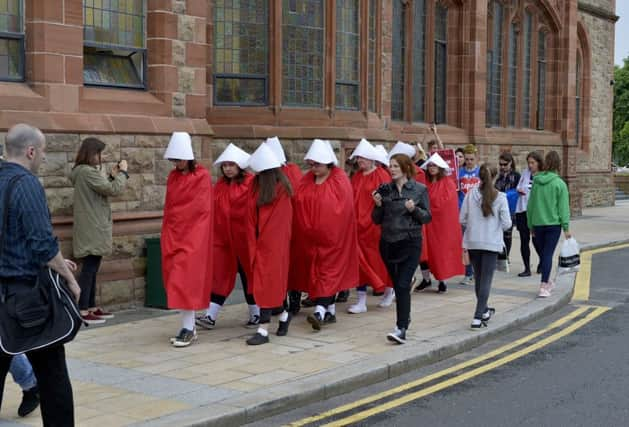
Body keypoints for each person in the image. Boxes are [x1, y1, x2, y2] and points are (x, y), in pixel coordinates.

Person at [0, 123, 80, 426]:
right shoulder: (26, 183)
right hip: (26, 301)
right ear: (31, 151)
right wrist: (69, 279)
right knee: (53, 376)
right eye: (43, 151)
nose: (43, 157)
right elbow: (42, 243)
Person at [290, 139, 359, 330]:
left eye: (317, 164)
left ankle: (320, 311)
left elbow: (341, 208)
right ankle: (330, 313)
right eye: (311, 164)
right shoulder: (306, 180)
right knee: (319, 275)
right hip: (311, 241)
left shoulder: (339, 180)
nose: (313, 168)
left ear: (328, 163)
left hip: (334, 240)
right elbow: (299, 201)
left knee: (328, 275)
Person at [196, 144, 259, 330]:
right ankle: (210, 315)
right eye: (225, 165)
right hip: (223, 240)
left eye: (231, 164)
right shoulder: (221, 186)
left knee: (249, 277)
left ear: (240, 165)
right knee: (220, 276)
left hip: (245, 240)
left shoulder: (251, 183)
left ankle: (256, 313)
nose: (228, 168)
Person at [161, 132, 213, 347]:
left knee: (185, 280)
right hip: (175, 233)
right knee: (177, 279)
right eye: (174, 160)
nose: (176, 163)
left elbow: (200, 209)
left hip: (193, 235)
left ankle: (189, 327)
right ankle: (187, 325)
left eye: (179, 159)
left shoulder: (201, 176)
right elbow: (171, 206)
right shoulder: (174, 176)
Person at [372, 154, 431, 344]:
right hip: (388, 244)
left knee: (403, 285)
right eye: (390, 166)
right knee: (399, 285)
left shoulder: (419, 190)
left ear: (405, 168)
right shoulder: (385, 190)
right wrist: (378, 205)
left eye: (396, 166)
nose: (392, 169)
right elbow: (376, 219)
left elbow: (427, 217)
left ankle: (401, 328)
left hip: (410, 242)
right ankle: (405, 319)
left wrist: (414, 209)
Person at [70, 137, 128, 325]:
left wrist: (111, 175)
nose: (99, 157)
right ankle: (83, 309)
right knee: (89, 268)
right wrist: (123, 174)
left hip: (90, 225)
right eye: (98, 153)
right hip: (92, 226)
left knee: (92, 267)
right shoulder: (87, 171)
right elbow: (112, 190)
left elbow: (99, 189)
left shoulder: (82, 172)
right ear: (90, 153)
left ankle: (91, 306)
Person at [245, 144, 294, 345]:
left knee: (267, 284)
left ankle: (263, 329)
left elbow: (279, 223)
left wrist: (264, 243)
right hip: (259, 240)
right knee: (266, 285)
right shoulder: (256, 184)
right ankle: (283, 315)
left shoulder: (281, 189)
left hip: (273, 244)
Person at [460, 164, 512, 329]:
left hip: (473, 241)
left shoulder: (470, 195)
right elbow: (507, 224)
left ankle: (483, 312)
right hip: (491, 243)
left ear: (479, 176)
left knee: (479, 278)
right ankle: (477, 316)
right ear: (495, 177)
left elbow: (462, 219)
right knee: (486, 281)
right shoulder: (501, 197)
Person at [347, 139, 393, 314]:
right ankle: (361, 300)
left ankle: (389, 291)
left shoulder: (382, 175)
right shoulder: (357, 176)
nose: (360, 161)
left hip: (375, 227)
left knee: (380, 261)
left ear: (372, 159)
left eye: (363, 158)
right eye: (359, 158)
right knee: (360, 264)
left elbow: (388, 200)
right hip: (357, 227)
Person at [415, 153, 464, 293]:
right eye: (430, 165)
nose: (431, 168)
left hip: (440, 226)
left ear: (440, 167)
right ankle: (426, 279)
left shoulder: (448, 183)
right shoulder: (425, 183)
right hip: (425, 223)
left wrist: (429, 208)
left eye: (434, 165)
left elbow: (447, 204)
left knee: (439, 252)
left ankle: (442, 280)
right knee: (424, 251)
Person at [527, 151, 571, 298]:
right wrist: (566, 227)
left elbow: (531, 205)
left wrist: (530, 224)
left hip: (538, 224)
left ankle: (546, 282)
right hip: (553, 225)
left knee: (544, 254)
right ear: (559, 165)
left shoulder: (537, 182)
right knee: (547, 255)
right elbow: (563, 208)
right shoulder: (560, 184)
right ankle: (544, 285)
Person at [514, 151, 544, 277]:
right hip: (522, 210)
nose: (530, 165)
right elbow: (519, 186)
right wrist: (519, 189)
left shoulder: (542, 176)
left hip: (535, 212)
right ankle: (526, 268)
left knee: (536, 240)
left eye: (533, 163)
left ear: (538, 163)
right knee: (524, 240)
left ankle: (543, 261)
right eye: (529, 163)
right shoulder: (525, 173)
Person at [458, 144, 481, 285]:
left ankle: (477, 271)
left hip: (478, 213)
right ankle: (468, 272)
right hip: (463, 212)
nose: (469, 162)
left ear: (476, 158)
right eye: (467, 159)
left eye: (471, 159)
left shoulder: (480, 172)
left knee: (477, 244)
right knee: (465, 244)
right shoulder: (459, 172)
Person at [494, 152, 520, 273]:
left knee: (507, 235)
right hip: (499, 208)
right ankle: (500, 257)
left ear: (510, 163)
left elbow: (518, 191)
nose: (502, 167)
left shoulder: (516, 176)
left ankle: (506, 256)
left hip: (510, 208)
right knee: (499, 234)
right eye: (500, 164)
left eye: (505, 164)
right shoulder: (499, 177)